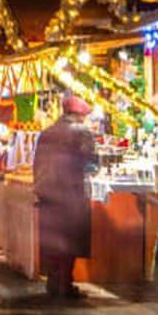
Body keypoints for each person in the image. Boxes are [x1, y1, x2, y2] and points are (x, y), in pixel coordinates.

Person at [33, 94, 97, 299]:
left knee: (53, 241)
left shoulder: (47, 132)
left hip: (47, 194)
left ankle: (53, 282)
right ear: (79, 114)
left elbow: (37, 164)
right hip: (70, 194)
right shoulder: (82, 131)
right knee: (70, 240)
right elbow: (90, 161)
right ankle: (65, 284)